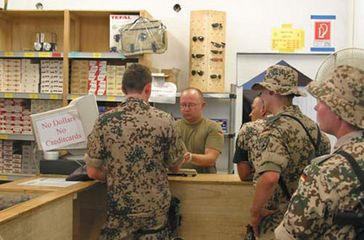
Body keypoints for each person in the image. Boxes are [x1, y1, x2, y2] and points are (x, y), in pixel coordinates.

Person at [84, 63, 186, 240]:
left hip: (119, 212)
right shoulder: (165, 121)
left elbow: (92, 171)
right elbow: (176, 166)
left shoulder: (104, 121)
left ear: (123, 88)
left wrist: (118, 176)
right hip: (155, 215)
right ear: (148, 89)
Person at [275, 64, 364, 239]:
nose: (316, 108)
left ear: (339, 111)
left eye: (322, 101)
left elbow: (290, 235)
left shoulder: (326, 172)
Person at [249, 64, 331, 239]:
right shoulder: (314, 129)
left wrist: (255, 213)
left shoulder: (274, 129)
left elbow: (270, 177)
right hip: (309, 218)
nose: (261, 96)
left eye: (262, 91)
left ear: (272, 91)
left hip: (278, 221)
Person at [176, 87, 224, 173]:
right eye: (183, 105)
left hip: (203, 181)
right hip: (178, 178)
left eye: (191, 105)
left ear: (202, 105)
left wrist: (190, 157)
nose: (186, 109)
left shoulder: (213, 127)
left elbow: (211, 159)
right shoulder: (172, 127)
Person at [233, 95, 270, 181]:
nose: (250, 114)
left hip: (260, 190)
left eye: (253, 109)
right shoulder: (296, 126)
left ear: (263, 109)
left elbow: (244, 174)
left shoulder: (248, 129)